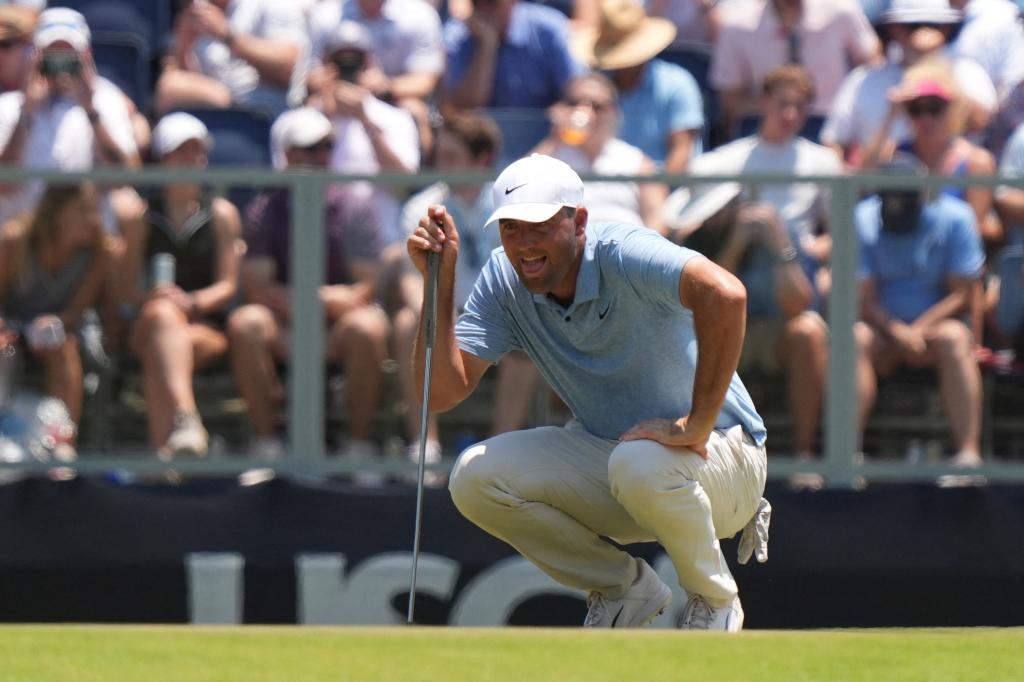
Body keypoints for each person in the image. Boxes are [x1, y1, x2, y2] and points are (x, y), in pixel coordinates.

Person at [407, 153, 771, 631]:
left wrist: (696, 423)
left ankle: (714, 600)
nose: (524, 243)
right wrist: (439, 280)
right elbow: (439, 393)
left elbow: (726, 294)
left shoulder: (624, 250)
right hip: (623, 463)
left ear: (578, 221)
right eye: (511, 228)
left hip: (724, 458)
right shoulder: (502, 277)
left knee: (638, 462)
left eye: (538, 226)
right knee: (474, 477)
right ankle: (625, 589)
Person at [670, 65, 839, 485]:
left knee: (809, 331)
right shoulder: (722, 162)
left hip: (789, 281)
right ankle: (693, 451)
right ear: (763, 102)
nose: (791, 114)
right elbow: (679, 225)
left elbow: (840, 236)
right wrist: (744, 233)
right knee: (689, 329)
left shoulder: (823, 162)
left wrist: (784, 239)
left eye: (801, 107)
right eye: (783, 104)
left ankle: (803, 454)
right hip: (731, 292)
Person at [227, 107, 390, 478]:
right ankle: (268, 444)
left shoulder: (354, 207)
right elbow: (258, 289)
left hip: (336, 329)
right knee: (246, 322)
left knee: (368, 327)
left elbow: (364, 289)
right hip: (286, 327)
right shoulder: (263, 210)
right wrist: (324, 300)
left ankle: (358, 447)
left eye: (324, 148)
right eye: (307, 149)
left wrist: (312, 301)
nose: (318, 157)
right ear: (285, 154)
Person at [116, 113, 242, 460]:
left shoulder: (222, 215)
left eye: (197, 152)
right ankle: (186, 420)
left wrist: (189, 303)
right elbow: (126, 291)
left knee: (164, 341)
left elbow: (228, 285)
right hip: (152, 322)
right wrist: (159, 299)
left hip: (203, 329)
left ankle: (163, 454)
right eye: (182, 152)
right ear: (164, 159)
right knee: (161, 317)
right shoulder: (141, 219)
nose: (192, 161)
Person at [854, 155, 985, 467]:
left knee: (956, 338)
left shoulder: (956, 218)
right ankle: (848, 455)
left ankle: (968, 454)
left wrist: (916, 330)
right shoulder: (861, 218)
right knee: (854, 338)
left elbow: (961, 295)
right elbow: (864, 296)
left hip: (935, 331)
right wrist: (897, 331)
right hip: (881, 330)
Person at [0, 182, 118, 447]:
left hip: (64, 331)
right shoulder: (14, 241)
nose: (93, 219)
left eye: (95, 210)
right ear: (56, 212)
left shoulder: (101, 252)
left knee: (61, 347)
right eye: (83, 210)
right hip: (11, 329)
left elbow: (76, 311)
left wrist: (51, 326)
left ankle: (63, 447)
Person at [0, 8, 140, 225]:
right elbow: (3, 183)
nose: (61, 65)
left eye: (68, 55)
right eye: (53, 54)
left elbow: (126, 176)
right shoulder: (9, 107)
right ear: (37, 57)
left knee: (130, 206)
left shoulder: (108, 100)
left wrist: (91, 111)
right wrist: (26, 113)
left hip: (87, 232)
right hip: (23, 233)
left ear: (86, 55)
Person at [821, 0, 997, 167]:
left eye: (932, 26)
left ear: (945, 30)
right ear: (894, 29)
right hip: (884, 186)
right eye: (912, 27)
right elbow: (834, 142)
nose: (920, 35)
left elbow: (981, 122)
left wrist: (935, 67)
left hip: (949, 186)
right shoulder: (864, 79)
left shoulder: (967, 71)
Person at [307, 20, 420, 245]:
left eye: (355, 62)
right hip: (322, 242)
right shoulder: (307, 118)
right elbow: (293, 182)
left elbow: (403, 182)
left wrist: (364, 119)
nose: (348, 70)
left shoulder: (396, 118)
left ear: (369, 64)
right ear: (325, 65)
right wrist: (326, 113)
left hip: (380, 240)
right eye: (340, 62)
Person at [710, 0, 880, 141]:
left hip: (829, 125)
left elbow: (873, 62)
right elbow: (731, 100)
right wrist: (779, 109)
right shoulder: (737, 25)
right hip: (764, 124)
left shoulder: (841, 10)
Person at [572, 0, 704, 173]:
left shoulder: (677, 83)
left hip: (665, 190)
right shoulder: (593, 91)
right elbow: (577, 144)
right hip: (603, 187)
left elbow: (681, 152)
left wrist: (655, 194)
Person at [533, 72, 667, 233]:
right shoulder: (549, 156)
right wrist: (555, 138)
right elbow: (516, 189)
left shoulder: (636, 161)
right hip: (568, 252)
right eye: (574, 103)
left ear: (613, 112)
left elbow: (657, 218)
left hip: (625, 250)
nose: (584, 111)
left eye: (596, 106)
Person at [307, 0, 445, 152]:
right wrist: (331, 82)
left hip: (390, 99)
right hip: (335, 96)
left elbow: (425, 80)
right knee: (313, 106)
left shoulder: (420, 15)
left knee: (414, 109)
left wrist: (386, 85)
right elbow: (312, 77)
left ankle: (417, 173)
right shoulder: (325, 15)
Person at [155, 0, 307, 116]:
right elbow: (188, 80)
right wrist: (184, 46)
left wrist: (226, 35)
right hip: (217, 110)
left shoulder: (272, 4)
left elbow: (286, 68)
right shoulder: (197, 11)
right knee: (171, 86)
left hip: (267, 112)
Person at [442, 0, 583, 110]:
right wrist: (486, 47)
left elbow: (577, 92)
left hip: (544, 135)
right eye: (477, 2)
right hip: (480, 141)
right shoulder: (458, 34)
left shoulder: (549, 29)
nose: (484, 8)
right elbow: (464, 108)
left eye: (491, 1)